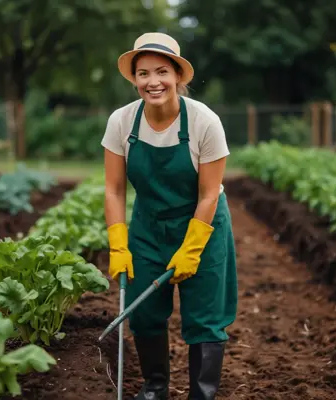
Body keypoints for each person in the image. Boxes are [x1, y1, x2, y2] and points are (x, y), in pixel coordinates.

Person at [101, 32, 238, 400]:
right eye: (143, 73)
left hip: (202, 226)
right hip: (147, 226)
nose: (152, 81)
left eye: (162, 71)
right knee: (143, 312)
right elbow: (113, 189)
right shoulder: (121, 122)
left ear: (178, 75)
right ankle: (154, 390)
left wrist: (192, 247)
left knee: (206, 318)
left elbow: (210, 193)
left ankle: (201, 395)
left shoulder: (204, 122)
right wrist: (118, 244)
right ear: (134, 79)